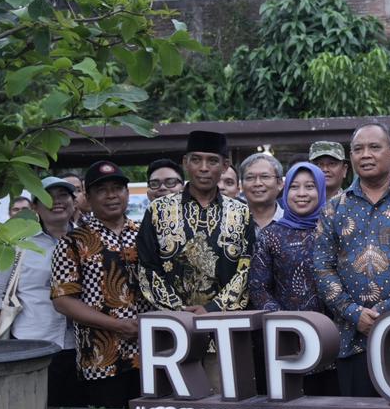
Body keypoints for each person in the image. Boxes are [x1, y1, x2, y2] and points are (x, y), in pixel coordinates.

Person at [315, 123, 390, 396]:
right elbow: (322, 268)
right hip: (353, 337)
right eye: (358, 149)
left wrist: (384, 312)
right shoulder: (334, 208)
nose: (366, 155)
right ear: (351, 156)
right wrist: (353, 312)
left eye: (374, 147)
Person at [137, 130, 256, 390]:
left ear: (224, 166)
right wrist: (179, 312)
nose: (203, 168)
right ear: (185, 162)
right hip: (172, 333)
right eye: (196, 160)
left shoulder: (241, 212)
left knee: (222, 402)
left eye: (212, 161)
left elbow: (247, 269)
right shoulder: (158, 210)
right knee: (174, 404)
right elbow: (147, 268)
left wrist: (211, 310)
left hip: (223, 331)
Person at [50, 162, 150, 408]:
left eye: (117, 188)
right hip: (101, 359)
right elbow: (63, 300)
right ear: (88, 197)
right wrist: (116, 325)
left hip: (150, 354)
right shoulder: (73, 241)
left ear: (127, 193)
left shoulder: (145, 235)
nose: (111, 195)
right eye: (102, 190)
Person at [0, 177, 78, 406]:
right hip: (34, 346)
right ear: (34, 207)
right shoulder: (18, 244)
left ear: (74, 202)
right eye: (47, 197)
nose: (57, 201)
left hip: (84, 347)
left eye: (63, 195)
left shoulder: (88, 240)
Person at [251, 162, 328, 315]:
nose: (301, 193)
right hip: (285, 325)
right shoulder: (270, 235)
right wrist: (286, 321)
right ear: (286, 191)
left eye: (309, 186)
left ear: (320, 190)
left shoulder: (333, 230)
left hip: (335, 325)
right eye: (294, 187)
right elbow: (258, 288)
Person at [238, 152, 284, 233]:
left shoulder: (292, 222)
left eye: (265, 177)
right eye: (250, 177)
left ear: (280, 183)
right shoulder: (231, 222)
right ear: (241, 184)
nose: (257, 183)